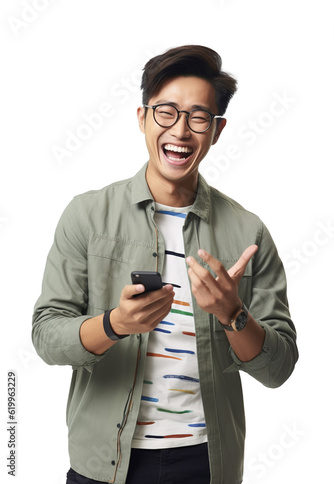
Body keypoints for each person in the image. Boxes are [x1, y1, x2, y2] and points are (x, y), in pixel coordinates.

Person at [32, 45, 298, 484]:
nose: (180, 130)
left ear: (217, 130)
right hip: (104, 462)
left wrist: (233, 315)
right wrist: (116, 322)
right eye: (166, 112)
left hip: (207, 463)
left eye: (198, 117)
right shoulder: (87, 215)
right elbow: (46, 335)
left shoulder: (248, 233)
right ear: (142, 119)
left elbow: (278, 368)